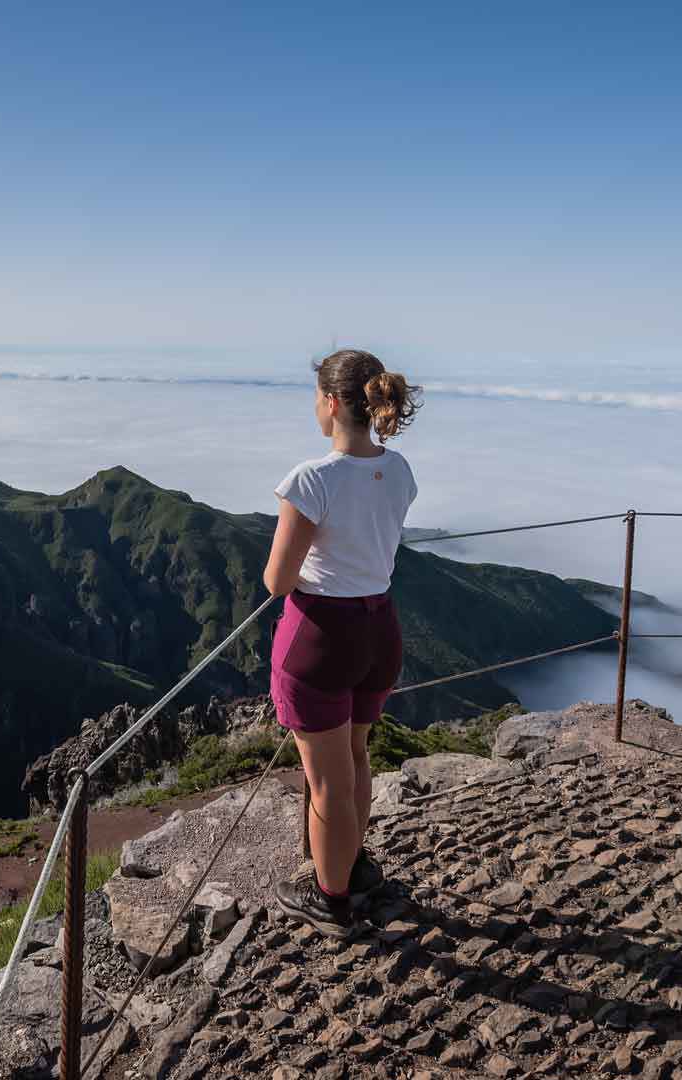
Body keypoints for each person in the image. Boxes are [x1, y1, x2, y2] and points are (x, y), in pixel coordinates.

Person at [263, 348, 420, 936]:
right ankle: (352, 868)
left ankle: (329, 899)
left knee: (326, 776)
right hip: (381, 630)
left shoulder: (311, 480)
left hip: (322, 639)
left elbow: (278, 582)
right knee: (355, 756)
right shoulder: (400, 470)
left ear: (330, 402)